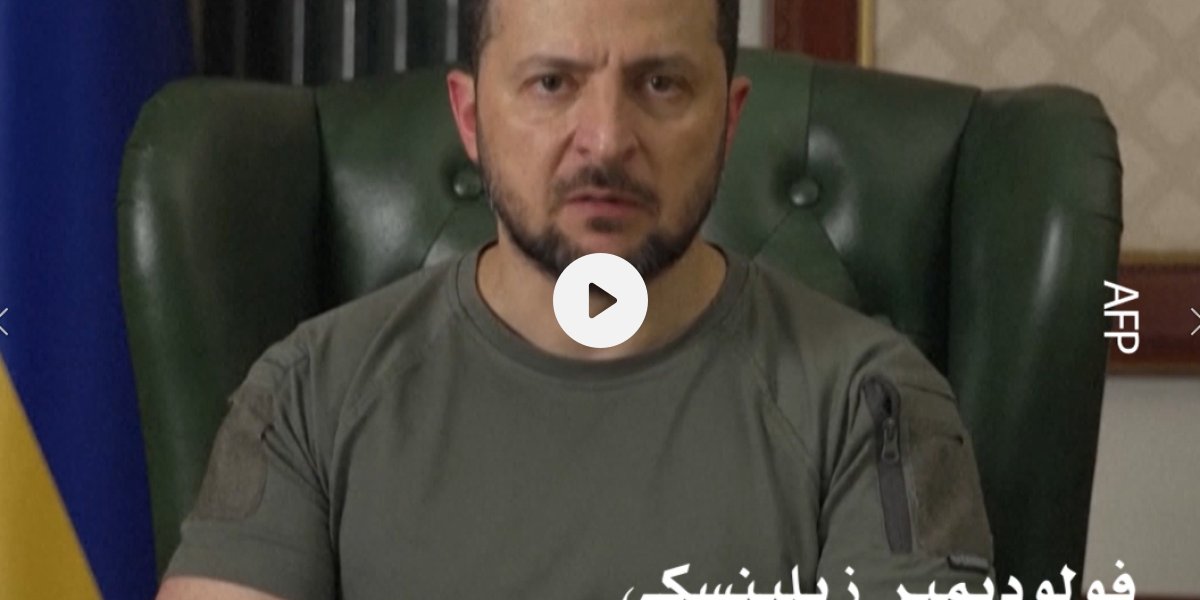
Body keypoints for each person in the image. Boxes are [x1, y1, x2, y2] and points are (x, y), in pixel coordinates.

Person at [157, 0, 994, 598]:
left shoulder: (875, 405)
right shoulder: (307, 393)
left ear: (729, 121)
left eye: (661, 84)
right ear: (470, 117)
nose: (606, 141)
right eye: (552, 83)